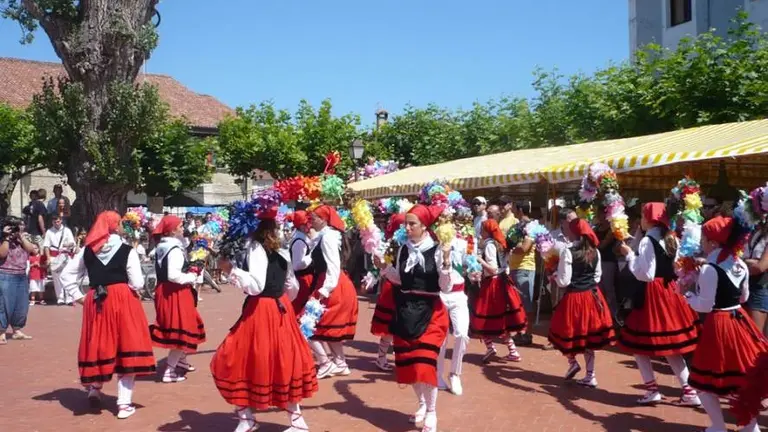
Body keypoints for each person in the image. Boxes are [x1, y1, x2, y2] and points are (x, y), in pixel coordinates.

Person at [212, 215, 318, 432]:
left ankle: (246, 417)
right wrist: (280, 298)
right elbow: (293, 288)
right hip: (281, 308)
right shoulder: (282, 252)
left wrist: (231, 270)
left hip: (262, 310)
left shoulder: (255, 248)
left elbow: (256, 286)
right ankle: (296, 421)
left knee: (231, 358)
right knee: (282, 362)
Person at [58, 211, 155, 419]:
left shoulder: (88, 250)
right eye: (119, 223)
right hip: (122, 300)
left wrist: (79, 296)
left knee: (99, 343)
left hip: (96, 299)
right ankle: (123, 403)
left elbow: (66, 274)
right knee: (126, 345)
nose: (122, 226)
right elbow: (137, 282)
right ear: (114, 226)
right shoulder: (127, 250)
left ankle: (94, 388)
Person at [686, 216, 767, 432]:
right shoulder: (739, 263)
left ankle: (719, 427)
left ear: (713, 242)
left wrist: (687, 296)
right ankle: (751, 427)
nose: (701, 242)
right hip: (739, 321)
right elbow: (743, 297)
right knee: (739, 378)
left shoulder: (709, 269)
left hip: (719, 324)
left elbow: (704, 306)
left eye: (704, 238)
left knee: (704, 382)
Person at [374, 204, 450, 432]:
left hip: (430, 311)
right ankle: (422, 404)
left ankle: (432, 412)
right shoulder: (403, 249)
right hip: (406, 310)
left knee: (426, 363)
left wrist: (446, 262)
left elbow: (444, 287)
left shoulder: (438, 250)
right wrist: (385, 268)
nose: (406, 227)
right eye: (406, 223)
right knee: (409, 366)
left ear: (424, 226)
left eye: (411, 223)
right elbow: (400, 280)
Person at [616, 202, 701, 406]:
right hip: (670, 291)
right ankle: (689, 391)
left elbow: (645, 274)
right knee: (670, 346)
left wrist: (629, 254)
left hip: (652, 295)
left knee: (638, 344)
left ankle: (652, 389)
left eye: (643, 217)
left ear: (648, 219)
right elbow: (676, 266)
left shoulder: (647, 241)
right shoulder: (671, 238)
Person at [548, 218, 616, 387]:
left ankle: (572, 363)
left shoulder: (568, 251)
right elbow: (597, 276)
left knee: (563, 331)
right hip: (592, 296)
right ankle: (590, 375)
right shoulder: (596, 251)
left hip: (575, 298)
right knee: (589, 336)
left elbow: (564, 281)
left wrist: (554, 275)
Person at [149, 215, 206, 384]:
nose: (183, 228)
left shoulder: (162, 246)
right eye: (180, 226)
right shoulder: (174, 249)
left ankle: (181, 360)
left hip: (165, 291)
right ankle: (170, 370)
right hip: (175, 293)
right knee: (181, 331)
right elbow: (173, 275)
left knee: (187, 325)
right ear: (173, 230)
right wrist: (191, 275)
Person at [307, 205, 359, 378]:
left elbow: (333, 266)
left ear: (323, 219)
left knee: (306, 325)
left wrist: (326, 289)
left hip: (333, 285)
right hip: (332, 283)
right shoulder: (324, 236)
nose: (311, 219)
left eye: (314, 217)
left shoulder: (328, 237)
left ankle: (325, 362)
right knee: (328, 329)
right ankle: (340, 362)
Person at [471, 219, 527, 363]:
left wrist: (478, 260)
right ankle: (513, 351)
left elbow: (493, 268)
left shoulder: (490, 245)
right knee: (501, 318)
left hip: (493, 284)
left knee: (481, 316)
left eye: (482, 229)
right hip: (503, 282)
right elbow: (504, 266)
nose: (480, 232)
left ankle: (490, 347)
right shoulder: (501, 244)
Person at [437, 230, 473, 395]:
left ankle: (455, 373)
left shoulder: (465, 243)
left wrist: (474, 273)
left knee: (462, 334)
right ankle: (437, 374)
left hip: (459, 295)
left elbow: (470, 265)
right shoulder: (434, 246)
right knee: (441, 338)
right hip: (441, 295)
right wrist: (445, 258)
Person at [370, 213, 404, 372]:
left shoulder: (400, 244)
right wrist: (382, 267)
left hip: (397, 288)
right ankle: (382, 358)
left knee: (397, 329)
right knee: (391, 328)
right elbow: (386, 265)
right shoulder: (395, 245)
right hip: (394, 289)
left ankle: (386, 357)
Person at [0, 217, 36, 344]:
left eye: (21, 225)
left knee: (21, 305)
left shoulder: (23, 238)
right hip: (5, 274)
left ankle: (17, 330)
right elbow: (2, 254)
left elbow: (31, 249)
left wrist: (21, 237)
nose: (19, 228)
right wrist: (5, 237)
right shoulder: (2, 237)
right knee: (4, 305)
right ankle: (1, 332)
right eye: (16, 226)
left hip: (21, 275)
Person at [508, 200, 536, 345]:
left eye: (514, 208)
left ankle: (527, 333)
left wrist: (512, 247)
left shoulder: (531, 226)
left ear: (519, 209)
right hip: (515, 267)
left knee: (526, 303)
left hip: (525, 267)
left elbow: (524, 248)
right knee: (518, 303)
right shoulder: (518, 225)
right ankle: (521, 332)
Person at [288, 210, 317, 314]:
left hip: (307, 277)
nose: (309, 226)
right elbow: (297, 265)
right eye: (307, 224)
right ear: (301, 226)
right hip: (303, 279)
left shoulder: (302, 238)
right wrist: (312, 255)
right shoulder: (299, 241)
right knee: (300, 307)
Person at [43, 214, 76, 305]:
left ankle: (69, 298)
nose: (56, 223)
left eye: (58, 221)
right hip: (54, 257)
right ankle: (60, 298)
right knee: (57, 278)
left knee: (67, 277)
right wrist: (48, 258)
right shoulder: (49, 232)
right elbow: (46, 246)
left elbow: (72, 243)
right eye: (54, 221)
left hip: (65, 256)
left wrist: (68, 245)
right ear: (52, 222)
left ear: (61, 220)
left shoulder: (67, 230)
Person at [745, 220, 768, 336]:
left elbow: (760, 267)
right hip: (747, 286)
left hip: (761, 288)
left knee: (756, 337)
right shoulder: (755, 230)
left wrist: (740, 266)